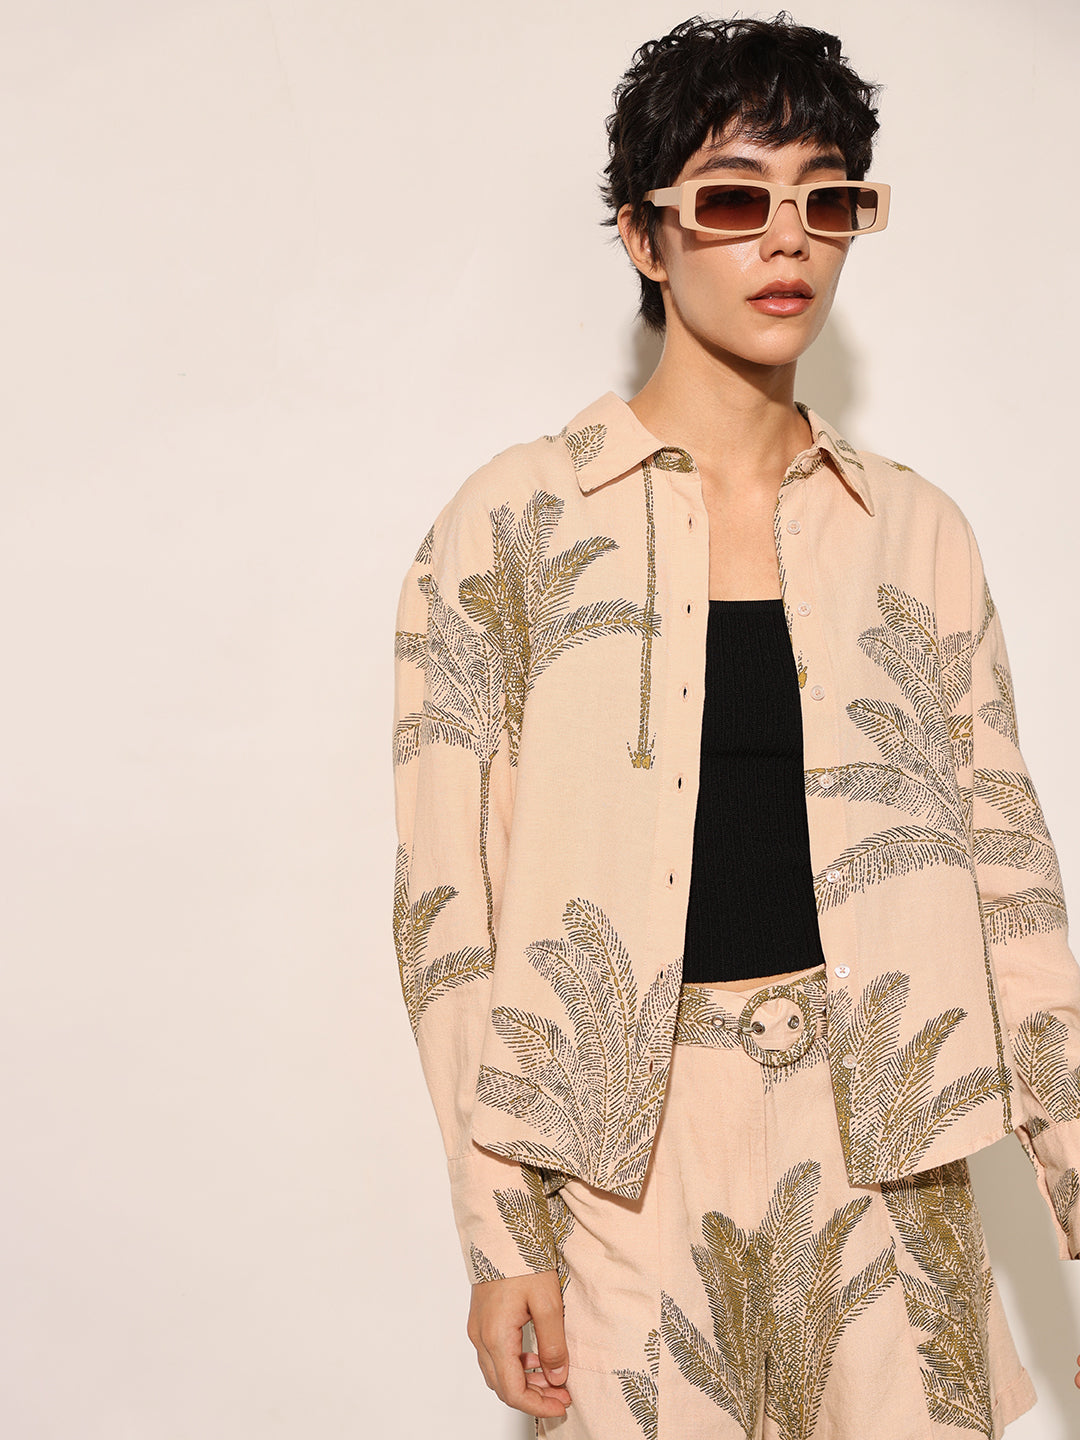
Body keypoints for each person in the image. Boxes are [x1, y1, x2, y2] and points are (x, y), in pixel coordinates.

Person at [391, 13, 1080, 1436]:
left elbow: (1010, 878)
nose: (786, 241)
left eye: (827, 201)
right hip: (622, 1166)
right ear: (645, 237)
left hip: (892, 1148)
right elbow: (449, 910)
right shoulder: (511, 527)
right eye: (731, 199)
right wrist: (501, 1234)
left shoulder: (916, 534)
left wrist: (1073, 1169)